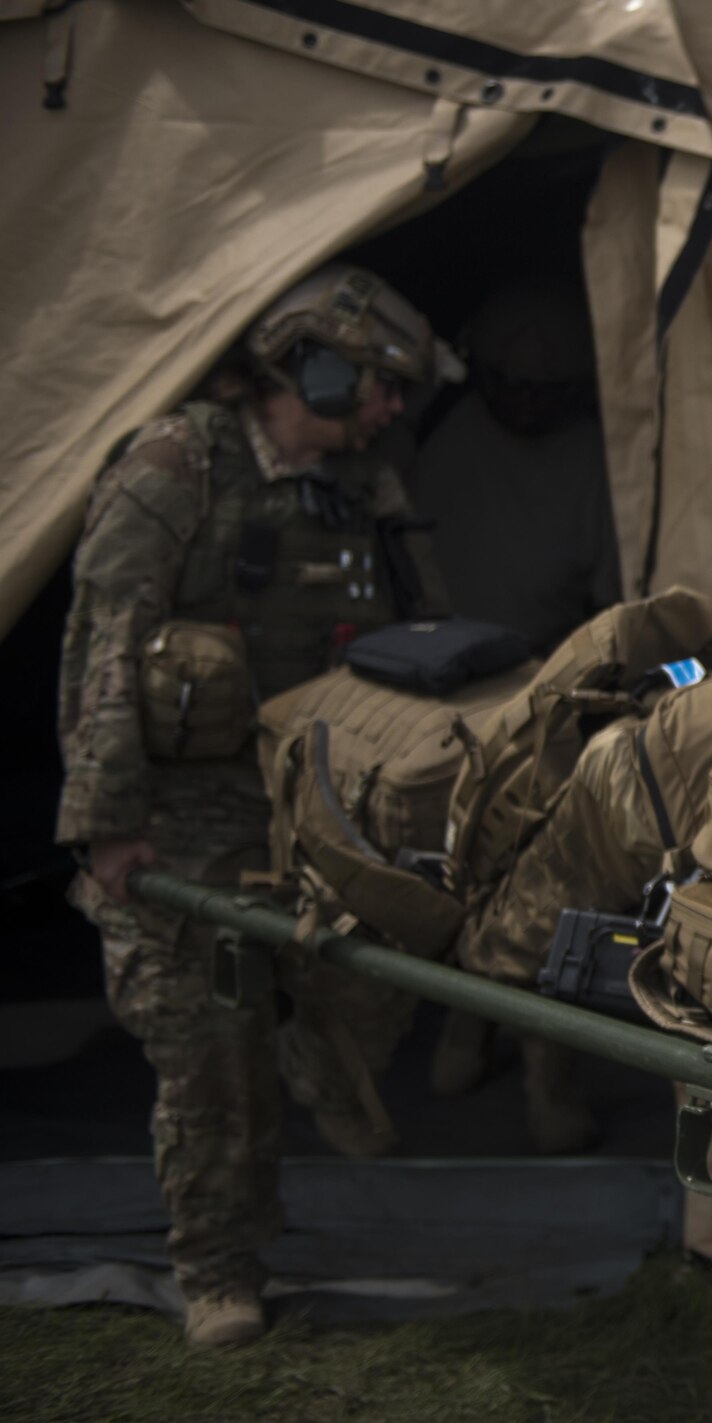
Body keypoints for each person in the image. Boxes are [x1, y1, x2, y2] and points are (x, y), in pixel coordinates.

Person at [57, 263, 452, 1347]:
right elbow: (104, 644)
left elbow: (432, 640)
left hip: (320, 797)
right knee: (205, 1048)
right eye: (376, 383)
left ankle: (315, 1048)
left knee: (386, 980)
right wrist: (108, 822)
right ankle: (219, 1273)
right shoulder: (177, 465)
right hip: (184, 815)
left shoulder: (371, 487)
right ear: (313, 366)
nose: (386, 408)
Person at [414, 279, 621, 653]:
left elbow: (612, 602)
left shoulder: (597, 459)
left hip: (540, 664)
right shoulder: (435, 425)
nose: (527, 402)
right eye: (511, 384)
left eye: (544, 390)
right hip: (425, 649)